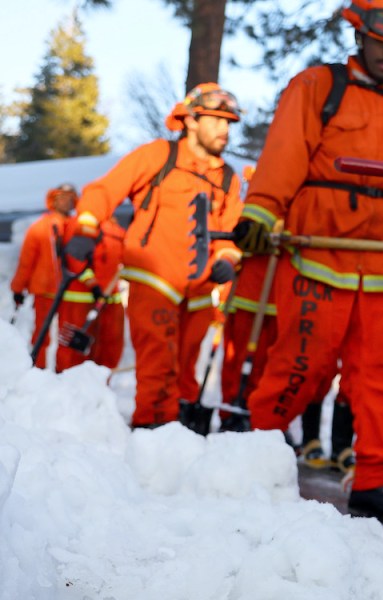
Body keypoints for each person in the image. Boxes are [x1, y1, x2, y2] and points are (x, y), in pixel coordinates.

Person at [231, 0, 383, 526]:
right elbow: (286, 152)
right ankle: (253, 458)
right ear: (360, 36)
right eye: (382, 44)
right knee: (299, 366)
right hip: (321, 256)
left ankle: (374, 481)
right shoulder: (317, 87)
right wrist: (263, 210)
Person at [68, 83, 242, 428]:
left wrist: (226, 259)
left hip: (199, 289)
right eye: (217, 120)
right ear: (191, 119)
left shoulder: (227, 177)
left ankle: (181, 432)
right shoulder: (158, 155)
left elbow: (231, 230)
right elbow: (105, 190)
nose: (225, 130)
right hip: (154, 277)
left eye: (229, 123)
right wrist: (86, 228)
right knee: (158, 361)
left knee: (186, 366)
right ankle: (153, 429)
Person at [12, 184, 76, 368]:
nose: (67, 201)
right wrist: (18, 288)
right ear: (53, 201)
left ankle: (65, 373)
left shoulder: (78, 227)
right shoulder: (40, 228)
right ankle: (37, 372)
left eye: (70, 197)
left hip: (72, 293)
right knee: (41, 334)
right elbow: (26, 261)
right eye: (62, 197)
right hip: (45, 291)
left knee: (67, 337)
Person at [56, 216, 126, 372]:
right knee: (73, 351)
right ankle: (67, 383)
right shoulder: (83, 223)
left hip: (110, 299)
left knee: (109, 346)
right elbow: (74, 258)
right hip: (81, 299)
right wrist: (93, 285)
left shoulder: (117, 231)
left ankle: (100, 383)